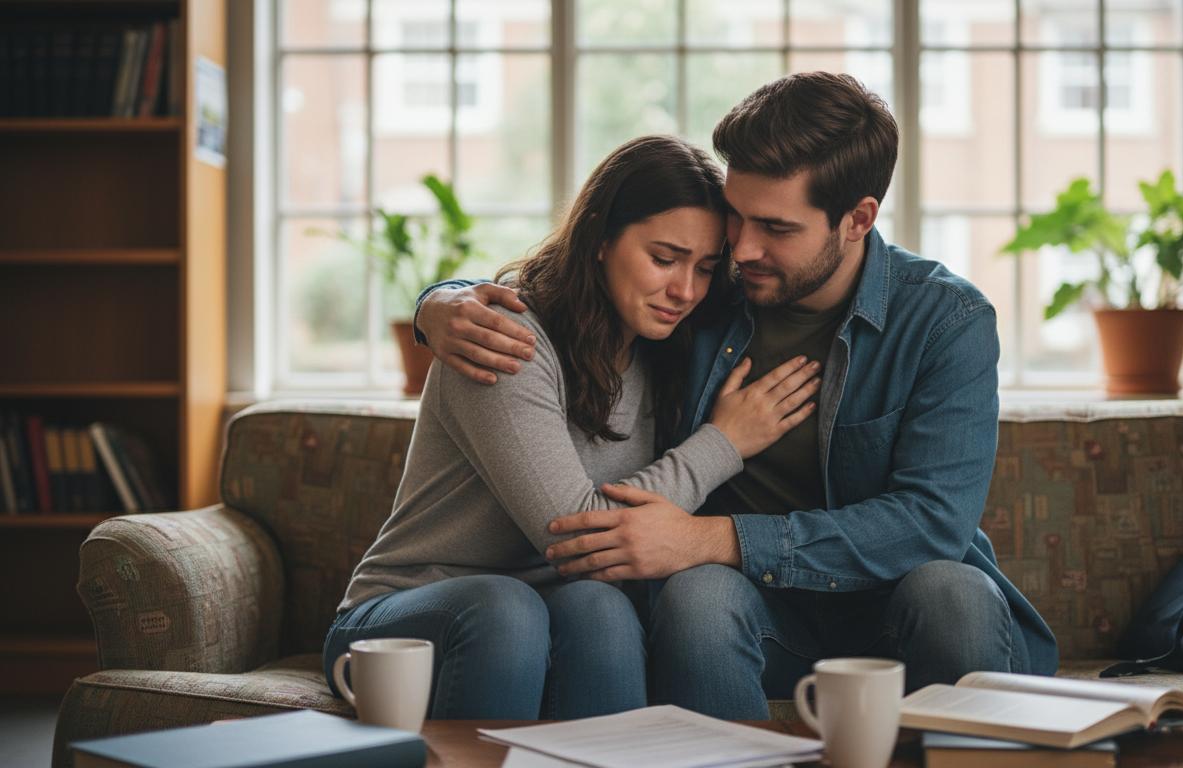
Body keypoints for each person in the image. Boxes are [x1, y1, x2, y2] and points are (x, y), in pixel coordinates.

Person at [414, 72, 1060, 719]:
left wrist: (715, 539)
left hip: (896, 604)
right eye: (737, 217)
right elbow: (588, 277)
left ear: (858, 218)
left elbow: (933, 523)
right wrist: (441, 302)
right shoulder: (710, 292)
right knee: (697, 597)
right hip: (755, 611)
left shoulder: (945, 321)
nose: (741, 250)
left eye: (775, 227)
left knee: (953, 591)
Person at [324, 135, 823, 720]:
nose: (685, 290)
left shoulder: (668, 346)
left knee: (601, 608)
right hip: (403, 625)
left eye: (706, 268)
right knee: (508, 606)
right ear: (600, 240)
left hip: (556, 610)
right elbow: (577, 540)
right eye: (664, 259)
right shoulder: (505, 339)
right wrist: (724, 443)